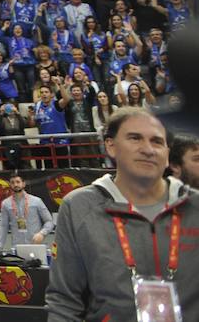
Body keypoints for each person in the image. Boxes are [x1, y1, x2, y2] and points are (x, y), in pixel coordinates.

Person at [47, 108, 199, 322]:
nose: (148, 149)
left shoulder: (195, 205)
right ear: (110, 145)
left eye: (157, 141)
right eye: (135, 138)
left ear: (167, 154)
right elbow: (64, 301)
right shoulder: (79, 207)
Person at [0, 172, 55, 249]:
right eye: (12, 182)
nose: (15, 185)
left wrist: (42, 234)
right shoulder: (6, 204)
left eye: (18, 182)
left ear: (23, 184)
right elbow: (3, 226)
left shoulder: (36, 201)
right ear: (10, 185)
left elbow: (49, 221)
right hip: (17, 246)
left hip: (35, 245)